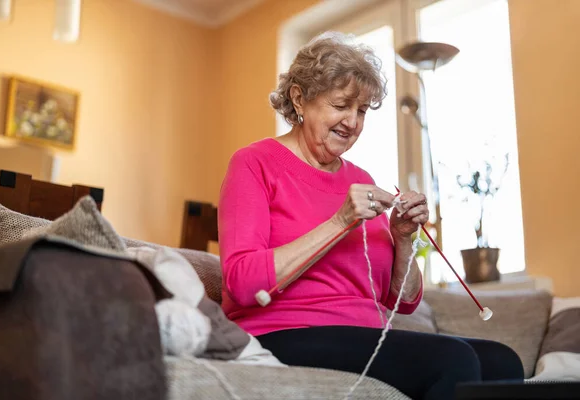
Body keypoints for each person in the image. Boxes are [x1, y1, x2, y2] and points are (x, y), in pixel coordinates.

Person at [217, 32, 523, 400]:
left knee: (503, 362)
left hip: (366, 334)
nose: (352, 122)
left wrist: (403, 238)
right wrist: (339, 222)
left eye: (361, 110)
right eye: (341, 104)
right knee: (452, 360)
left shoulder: (361, 180)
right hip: (283, 332)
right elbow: (242, 281)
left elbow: (401, 302)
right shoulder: (255, 163)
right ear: (299, 98)